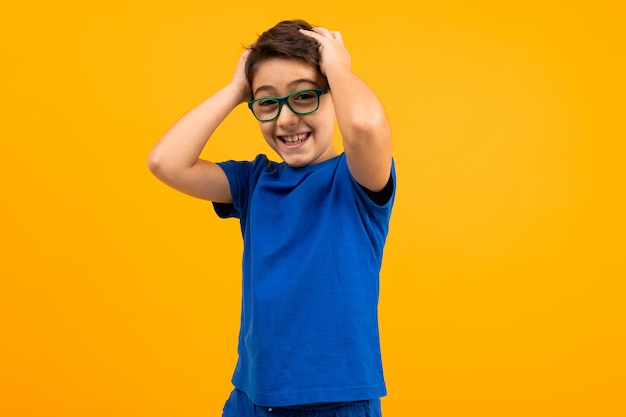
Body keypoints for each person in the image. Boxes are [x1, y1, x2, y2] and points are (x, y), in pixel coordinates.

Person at [148, 19, 395, 417]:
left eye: (303, 97)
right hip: (251, 397)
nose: (285, 120)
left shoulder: (355, 179)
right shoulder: (253, 181)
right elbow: (165, 162)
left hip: (336, 400)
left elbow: (365, 125)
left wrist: (338, 67)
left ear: (334, 94)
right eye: (267, 102)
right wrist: (235, 90)